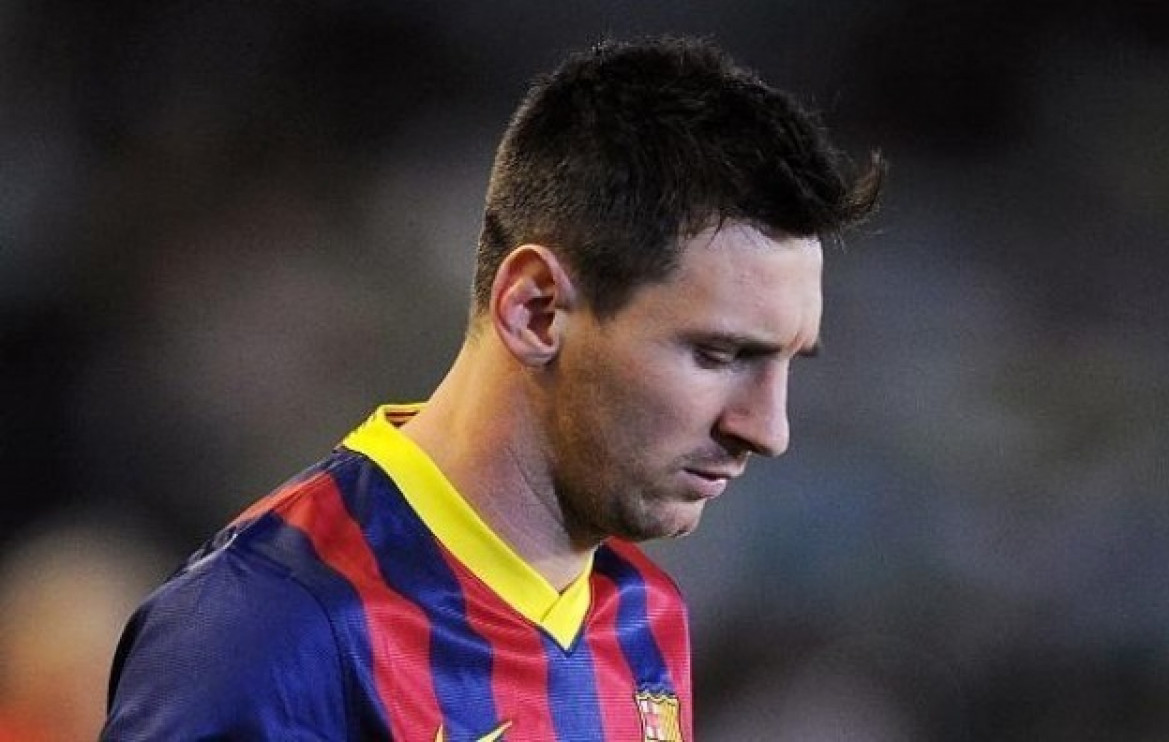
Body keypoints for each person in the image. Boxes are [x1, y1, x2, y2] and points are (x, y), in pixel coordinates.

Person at [102, 36, 881, 741]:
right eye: (718, 354)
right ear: (534, 309)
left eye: (789, 361)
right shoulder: (268, 629)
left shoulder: (646, 620)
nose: (768, 429)